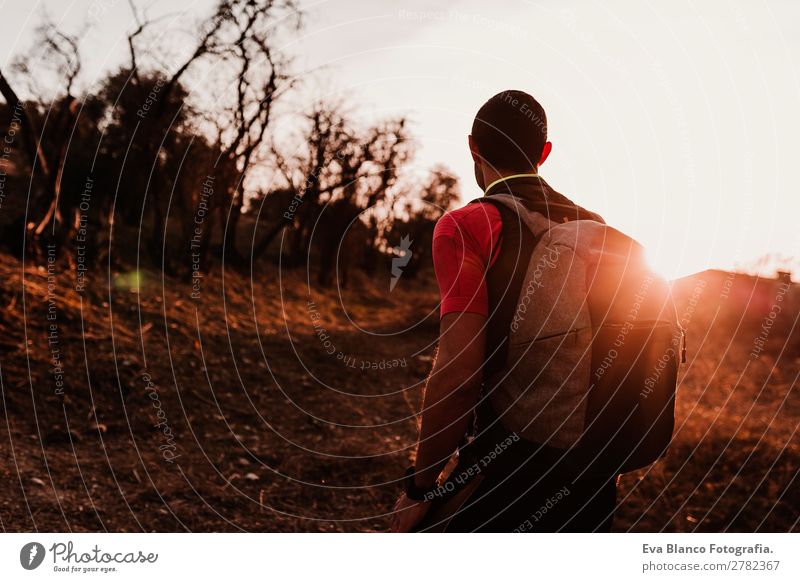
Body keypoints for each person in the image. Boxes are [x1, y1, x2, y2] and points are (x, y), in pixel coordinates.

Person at [391, 90, 618, 533]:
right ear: (544, 154)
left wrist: (422, 489)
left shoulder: (467, 225)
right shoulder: (597, 230)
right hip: (593, 477)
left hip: (505, 472)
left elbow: (458, 379)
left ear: (473, 145)